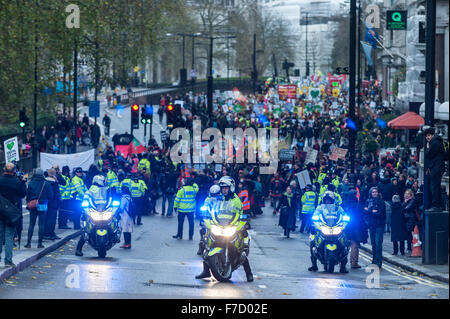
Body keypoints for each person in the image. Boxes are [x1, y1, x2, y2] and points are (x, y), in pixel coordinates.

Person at [195, 176, 254, 282]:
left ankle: (249, 273)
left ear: (231, 187)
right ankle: (206, 271)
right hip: (220, 225)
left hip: (231, 226)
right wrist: (208, 217)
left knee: (240, 249)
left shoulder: (236, 200)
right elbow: (214, 210)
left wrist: (242, 221)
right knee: (207, 243)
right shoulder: (219, 199)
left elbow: (239, 214)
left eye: (226, 188)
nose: (224, 190)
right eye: (222, 188)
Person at [308, 191, 348, 273]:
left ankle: (343, 267)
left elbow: (345, 215)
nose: (327, 202)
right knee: (312, 240)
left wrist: (345, 220)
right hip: (324, 227)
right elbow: (315, 215)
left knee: (346, 243)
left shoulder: (338, 208)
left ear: (332, 200)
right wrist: (315, 221)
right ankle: (314, 265)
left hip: (335, 227)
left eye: (329, 200)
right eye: (326, 200)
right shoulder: (320, 208)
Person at [0, 163, 27, 267]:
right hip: (12, 213)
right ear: (14, 171)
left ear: (4, 170)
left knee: (0, 235)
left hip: (0, 211)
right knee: (9, 237)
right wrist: (23, 182)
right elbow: (23, 194)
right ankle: (8, 261)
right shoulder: (17, 182)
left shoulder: (0, 180)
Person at [75, 175, 109, 256]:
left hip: (103, 211)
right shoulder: (91, 191)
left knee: (113, 220)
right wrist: (86, 210)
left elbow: (109, 200)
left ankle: (114, 234)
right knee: (86, 230)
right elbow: (85, 202)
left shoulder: (104, 190)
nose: (104, 182)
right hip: (93, 212)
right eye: (103, 181)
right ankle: (78, 249)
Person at [25, 168, 53, 249]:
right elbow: (51, 195)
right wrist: (46, 200)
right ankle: (40, 243)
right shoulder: (46, 183)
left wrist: (29, 203)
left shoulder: (31, 182)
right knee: (41, 224)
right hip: (43, 205)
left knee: (31, 224)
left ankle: (28, 243)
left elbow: (28, 195)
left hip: (33, 205)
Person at [342, 188, 367, 269]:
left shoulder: (345, 204)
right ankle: (354, 263)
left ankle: (341, 262)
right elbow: (362, 216)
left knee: (343, 245)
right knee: (354, 245)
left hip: (345, 227)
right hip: (356, 227)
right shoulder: (358, 205)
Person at [364, 187, 386, 270]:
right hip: (371, 225)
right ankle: (374, 260)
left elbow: (381, 213)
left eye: (376, 192)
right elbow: (365, 211)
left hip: (379, 225)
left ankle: (379, 262)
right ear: (371, 193)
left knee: (378, 243)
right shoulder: (368, 201)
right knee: (373, 243)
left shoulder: (381, 201)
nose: (375, 193)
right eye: (373, 192)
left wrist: (370, 211)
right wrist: (371, 211)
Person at [424, 128, 446, 211]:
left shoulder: (434, 143)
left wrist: (427, 148)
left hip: (437, 168)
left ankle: (436, 206)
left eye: (429, 135)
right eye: (426, 136)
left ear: (432, 135)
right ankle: (438, 205)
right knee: (436, 186)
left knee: (434, 187)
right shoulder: (437, 141)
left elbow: (428, 154)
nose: (427, 137)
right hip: (436, 167)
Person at [197, 184, 222, 255]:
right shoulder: (208, 199)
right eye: (213, 194)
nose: (214, 196)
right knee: (203, 230)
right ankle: (201, 245)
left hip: (218, 219)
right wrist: (203, 211)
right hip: (209, 217)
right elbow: (205, 206)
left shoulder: (222, 199)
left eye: (215, 194)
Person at [402, 189, 419, 255]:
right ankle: (410, 247)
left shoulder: (412, 201)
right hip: (407, 219)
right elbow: (403, 207)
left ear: (411, 195)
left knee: (409, 233)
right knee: (408, 234)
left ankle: (410, 247)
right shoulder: (406, 201)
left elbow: (407, 208)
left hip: (411, 219)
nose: (406, 195)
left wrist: (405, 204)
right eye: (406, 193)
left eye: (408, 194)